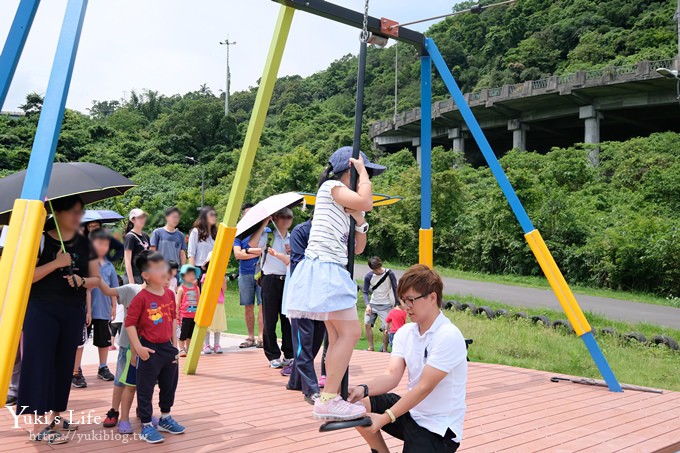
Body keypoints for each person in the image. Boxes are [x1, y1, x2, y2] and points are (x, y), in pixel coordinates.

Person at [285, 146, 385, 420]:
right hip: (325, 270)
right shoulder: (331, 188)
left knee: (340, 336)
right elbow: (367, 200)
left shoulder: (344, 203)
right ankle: (328, 398)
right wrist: (364, 175)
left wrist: (361, 223)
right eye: (364, 172)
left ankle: (329, 396)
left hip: (329, 271)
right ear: (349, 172)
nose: (367, 178)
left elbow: (358, 248)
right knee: (351, 334)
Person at [349, 265, 468, 453]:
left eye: (411, 300)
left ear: (432, 297)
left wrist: (385, 417)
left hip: (437, 429)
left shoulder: (448, 336)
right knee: (354, 404)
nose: (406, 307)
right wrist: (361, 389)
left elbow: (424, 387)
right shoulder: (406, 332)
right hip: (412, 413)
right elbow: (392, 375)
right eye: (403, 301)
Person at [18, 195, 101, 444]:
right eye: (73, 212)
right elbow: (26, 276)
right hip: (41, 310)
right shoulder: (40, 239)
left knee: (63, 365)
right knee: (37, 363)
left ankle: (55, 416)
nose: (78, 217)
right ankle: (36, 425)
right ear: (59, 213)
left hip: (71, 310)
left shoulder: (86, 244)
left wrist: (82, 281)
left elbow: (96, 279)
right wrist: (56, 263)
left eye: (80, 212)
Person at [125, 251, 185, 443]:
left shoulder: (169, 294)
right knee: (145, 388)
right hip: (149, 349)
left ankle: (165, 417)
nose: (163, 271)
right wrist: (139, 349)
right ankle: (146, 425)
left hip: (167, 349)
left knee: (169, 385)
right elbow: (129, 324)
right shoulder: (141, 298)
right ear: (146, 275)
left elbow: (173, 319)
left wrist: (174, 347)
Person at [285, 218, 327, 405]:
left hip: (322, 296)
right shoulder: (300, 232)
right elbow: (298, 262)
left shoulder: (330, 232)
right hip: (303, 297)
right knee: (304, 343)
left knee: (315, 340)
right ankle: (311, 389)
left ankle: (295, 381)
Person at [99, 275, 145, 433]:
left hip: (149, 346)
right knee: (121, 379)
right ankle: (114, 410)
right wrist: (98, 276)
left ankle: (143, 408)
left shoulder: (162, 292)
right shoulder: (131, 289)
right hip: (128, 345)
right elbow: (108, 290)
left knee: (146, 381)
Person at [258, 208, 293, 368]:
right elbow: (253, 244)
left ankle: (289, 353)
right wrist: (265, 221)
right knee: (270, 319)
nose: (286, 220)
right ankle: (272, 354)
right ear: (276, 218)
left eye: (290, 217)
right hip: (270, 279)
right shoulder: (267, 236)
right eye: (283, 217)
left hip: (288, 280)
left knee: (288, 318)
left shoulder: (292, 238)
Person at [233, 203, 265, 349]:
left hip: (262, 272)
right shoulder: (239, 233)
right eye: (247, 214)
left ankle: (261, 337)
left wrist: (246, 251)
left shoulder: (265, 230)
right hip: (245, 273)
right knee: (248, 306)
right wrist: (253, 251)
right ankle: (250, 336)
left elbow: (263, 251)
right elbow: (237, 254)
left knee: (262, 305)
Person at [89, 228, 118, 381]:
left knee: (104, 339)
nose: (103, 247)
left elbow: (113, 288)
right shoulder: (85, 262)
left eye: (106, 244)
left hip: (103, 308)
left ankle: (103, 366)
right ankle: (76, 369)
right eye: (100, 243)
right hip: (87, 309)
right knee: (79, 341)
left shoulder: (109, 266)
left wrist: (114, 307)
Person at [363, 256, 398, 352]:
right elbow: (365, 291)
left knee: (386, 328)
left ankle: (385, 350)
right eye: (375, 270)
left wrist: (397, 304)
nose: (378, 271)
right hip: (372, 304)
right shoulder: (369, 276)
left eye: (378, 268)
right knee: (367, 324)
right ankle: (371, 347)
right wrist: (367, 305)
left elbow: (395, 289)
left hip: (385, 305)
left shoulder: (389, 274)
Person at [200, 253, 227, 354]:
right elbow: (203, 290)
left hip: (219, 302)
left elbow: (224, 290)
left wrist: (222, 280)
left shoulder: (221, 276)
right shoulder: (205, 276)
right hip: (208, 303)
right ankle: (206, 344)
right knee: (207, 325)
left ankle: (217, 344)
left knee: (218, 324)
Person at [176, 264, 201, 357]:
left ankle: (189, 348)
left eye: (193, 274)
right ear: (183, 276)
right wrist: (177, 313)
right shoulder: (181, 289)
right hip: (184, 315)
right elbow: (178, 303)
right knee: (183, 332)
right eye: (189, 274)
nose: (192, 276)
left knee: (190, 333)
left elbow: (199, 300)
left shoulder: (196, 288)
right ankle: (181, 349)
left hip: (194, 315)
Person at [124, 208, 149, 284]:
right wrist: (131, 282)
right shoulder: (130, 237)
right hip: (134, 276)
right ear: (133, 220)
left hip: (144, 275)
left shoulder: (145, 235)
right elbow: (127, 260)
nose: (142, 219)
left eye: (143, 217)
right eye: (139, 217)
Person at [187, 206, 217, 272]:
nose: (214, 217)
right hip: (199, 268)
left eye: (215, 215)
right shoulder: (196, 232)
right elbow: (191, 254)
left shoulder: (216, 233)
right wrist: (192, 273)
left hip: (214, 268)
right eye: (211, 215)